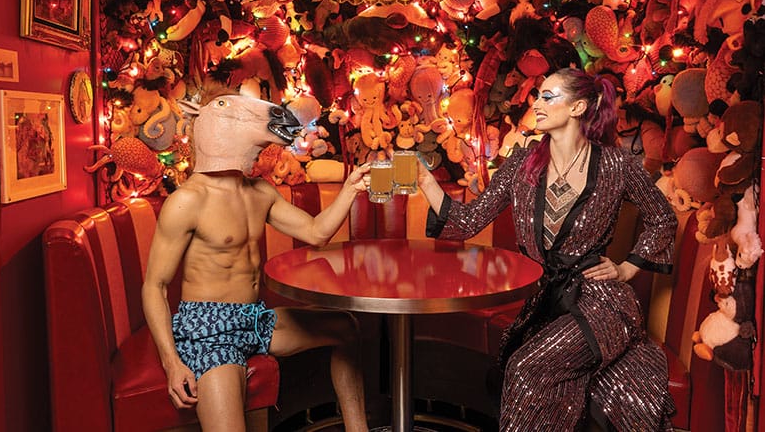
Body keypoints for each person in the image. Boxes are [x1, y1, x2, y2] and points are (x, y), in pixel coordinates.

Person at [418, 68, 677, 431]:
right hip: (544, 302)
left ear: (578, 107)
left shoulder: (616, 165)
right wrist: (425, 180)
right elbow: (467, 221)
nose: (536, 104)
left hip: (601, 304)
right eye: (537, 95)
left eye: (547, 96)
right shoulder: (521, 163)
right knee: (523, 367)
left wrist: (626, 268)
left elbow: (663, 218)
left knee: (525, 367)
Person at [142, 93, 370, 432]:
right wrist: (172, 363)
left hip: (253, 318)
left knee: (346, 327)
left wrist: (350, 190)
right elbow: (154, 286)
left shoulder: (260, 192)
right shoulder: (187, 201)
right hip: (209, 331)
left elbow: (315, 231)